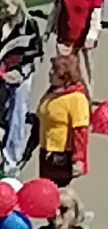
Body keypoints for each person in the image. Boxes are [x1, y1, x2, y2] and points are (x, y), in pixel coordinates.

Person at [24, 55, 90, 186]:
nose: (49, 73)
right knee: (44, 189)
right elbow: (40, 121)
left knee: (56, 192)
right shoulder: (52, 93)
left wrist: (79, 160)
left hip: (61, 156)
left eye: (54, 70)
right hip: (46, 152)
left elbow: (80, 131)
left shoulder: (76, 99)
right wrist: (30, 147)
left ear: (64, 76)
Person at [0, 0, 43, 173]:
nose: (5, 9)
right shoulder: (1, 24)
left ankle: (12, 158)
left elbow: (35, 53)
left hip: (20, 77)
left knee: (17, 115)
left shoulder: (29, 25)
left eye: (8, 5)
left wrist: (20, 73)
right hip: (1, 74)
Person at [50, 0, 102, 89]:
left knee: (84, 73)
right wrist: (49, 29)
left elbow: (96, 13)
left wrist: (92, 35)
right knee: (64, 71)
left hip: (83, 38)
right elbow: (57, 8)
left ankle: (87, 100)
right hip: (65, 35)